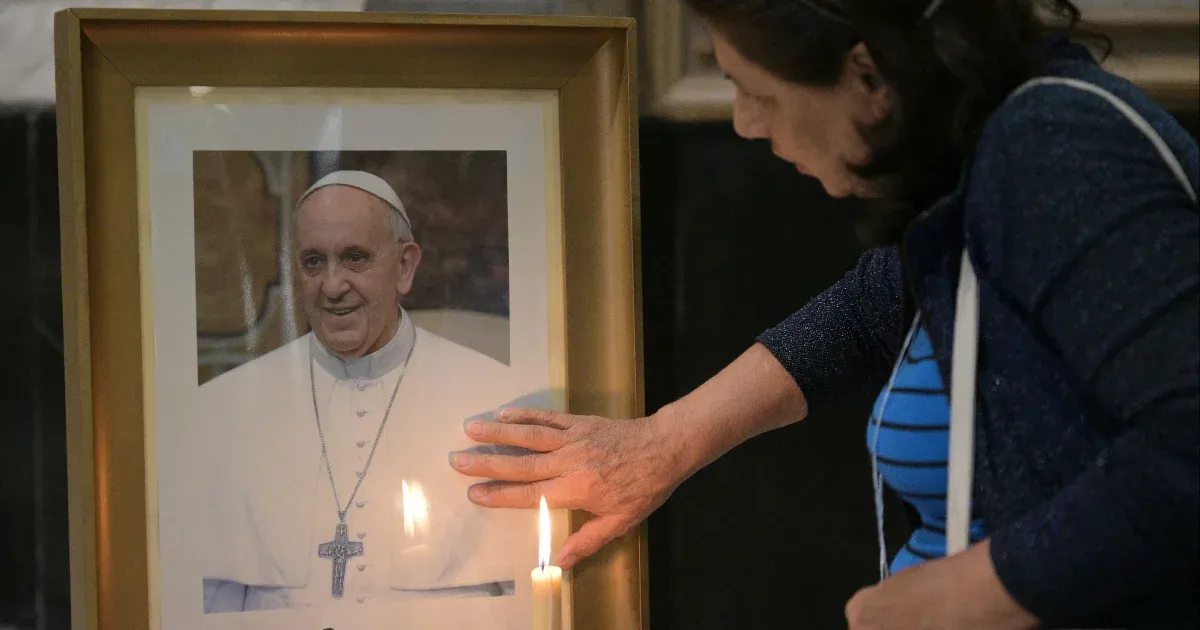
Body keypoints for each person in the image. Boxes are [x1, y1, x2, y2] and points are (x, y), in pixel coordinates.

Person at [450, 0, 1200, 627]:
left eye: (758, 93)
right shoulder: (975, 157)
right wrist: (663, 444)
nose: (744, 123)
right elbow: (877, 306)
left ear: (869, 75)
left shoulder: (1055, 151)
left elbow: (1187, 439)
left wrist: (955, 597)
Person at [198, 170, 534, 613]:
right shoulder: (227, 407)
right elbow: (211, 602)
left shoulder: (499, 400)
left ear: (405, 266)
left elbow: (524, 598)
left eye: (355, 257)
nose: (333, 286)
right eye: (314, 261)